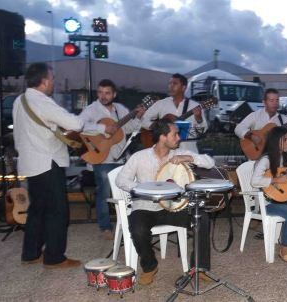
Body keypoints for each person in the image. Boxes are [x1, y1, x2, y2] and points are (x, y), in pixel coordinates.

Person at [116, 119, 215, 285]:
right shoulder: (139, 157)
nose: (178, 138)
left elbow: (209, 162)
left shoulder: (178, 154)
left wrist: (188, 157)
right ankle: (149, 266)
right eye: (175, 134)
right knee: (137, 228)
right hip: (146, 206)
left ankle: (199, 267)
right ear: (162, 137)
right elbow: (121, 180)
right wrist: (145, 188)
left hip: (174, 207)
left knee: (202, 218)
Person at [13, 63, 84, 268]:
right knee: (57, 211)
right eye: (52, 79)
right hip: (47, 162)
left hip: (29, 163)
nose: (53, 82)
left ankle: (30, 253)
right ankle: (54, 257)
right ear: (44, 81)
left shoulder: (20, 100)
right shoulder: (42, 101)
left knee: (37, 210)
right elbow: (76, 124)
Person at [79, 79, 145, 239]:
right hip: (101, 157)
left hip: (120, 157)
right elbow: (79, 125)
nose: (103, 96)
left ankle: (129, 223)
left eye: (107, 93)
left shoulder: (120, 109)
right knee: (104, 193)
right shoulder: (91, 110)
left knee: (126, 192)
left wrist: (138, 117)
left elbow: (130, 128)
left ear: (114, 94)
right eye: (100, 92)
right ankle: (105, 227)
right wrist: (102, 128)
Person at [250, 127, 287, 263]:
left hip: (285, 199)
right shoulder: (265, 160)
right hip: (268, 202)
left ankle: (284, 236)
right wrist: (276, 180)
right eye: (286, 140)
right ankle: (284, 247)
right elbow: (254, 181)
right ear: (276, 141)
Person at [141, 73, 207, 153]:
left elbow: (202, 130)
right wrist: (159, 126)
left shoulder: (195, 106)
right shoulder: (161, 103)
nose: (171, 86)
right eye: (170, 83)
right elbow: (143, 120)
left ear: (183, 87)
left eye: (175, 83)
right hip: (165, 153)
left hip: (188, 152)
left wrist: (199, 119)